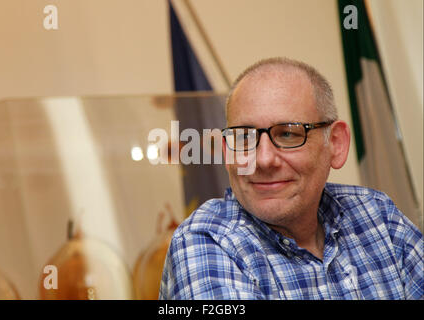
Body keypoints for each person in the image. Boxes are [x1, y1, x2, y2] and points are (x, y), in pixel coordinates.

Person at [159, 57, 423, 299]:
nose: (263, 160)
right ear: (228, 153)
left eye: (287, 134)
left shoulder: (376, 214)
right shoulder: (206, 241)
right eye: (245, 137)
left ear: (336, 143)